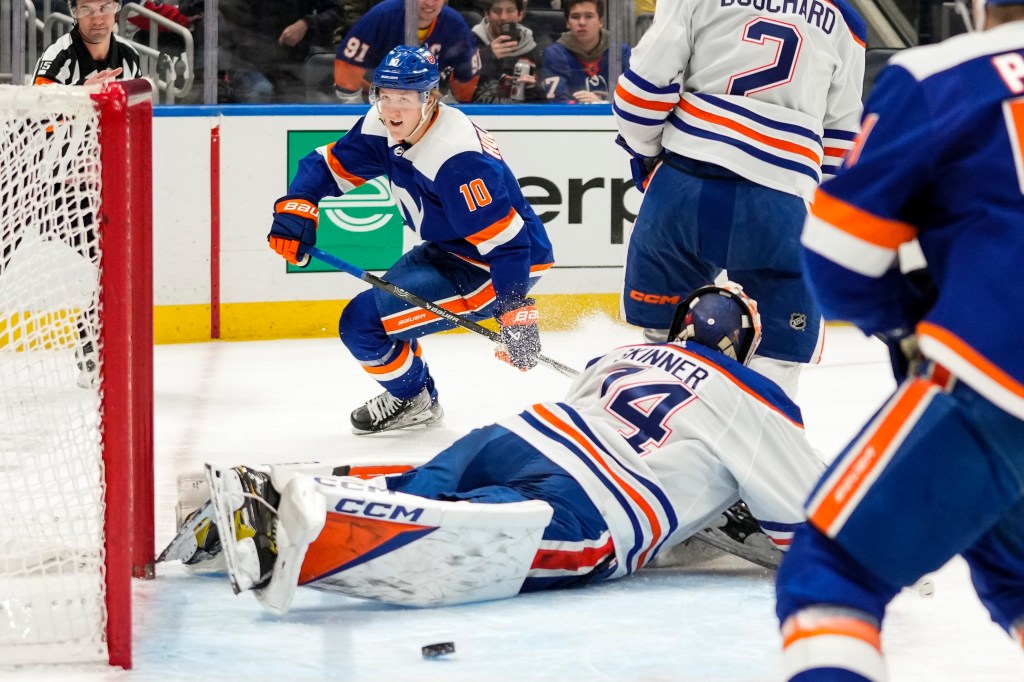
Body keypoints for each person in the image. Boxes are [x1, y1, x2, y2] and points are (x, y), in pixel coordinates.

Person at [176, 284, 826, 614]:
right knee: (468, 531)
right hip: (598, 506)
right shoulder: (759, 400)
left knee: (420, 486)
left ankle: (263, 500)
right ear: (744, 349)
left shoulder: (623, 353)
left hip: (522, 435)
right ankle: (304, 524)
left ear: (683, 324)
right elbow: (811, 530)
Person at [774, 0, 1024, 678]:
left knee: (830, 576)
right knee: (1014, 577)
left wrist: (901, 325)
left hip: (997, 371)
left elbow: (838, 254)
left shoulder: (945, 74)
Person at [267, 45, 554, 434]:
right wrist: (297, 205)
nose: (391, 109)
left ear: (430, 98)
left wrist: (513, 309)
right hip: (447, 249)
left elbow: (509, 246)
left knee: (362, 323)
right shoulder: (381, 123)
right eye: (384, 96)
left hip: (490, 268)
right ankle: (416, 393)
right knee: (378, 321)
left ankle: (413, 398)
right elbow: (326, 165)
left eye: (404, 98)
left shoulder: (457, 158)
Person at [612, 0, 866, 400]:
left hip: (684, 184)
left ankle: (650, 423)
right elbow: (841, 138)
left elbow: (642, 93)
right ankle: (757, 441)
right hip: (782, 200)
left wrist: (647, 153)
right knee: (777, 361)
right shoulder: (845, 20)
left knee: (660, 340)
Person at [334, 0, 480, 103]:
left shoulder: (454, 24)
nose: (429, 3)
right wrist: (355, 110)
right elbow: (347, 66)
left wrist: (448, 110)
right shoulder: (382, 14)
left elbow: (467, 78)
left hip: (426, 103)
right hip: (373, 99)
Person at [217, 0, 342, 103]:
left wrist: (306, 24)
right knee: (261, 90)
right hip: (248, 63)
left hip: (291, 67)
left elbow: (336, 13)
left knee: (294, 107)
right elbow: (222, 10)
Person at [33, 0, 142, 86]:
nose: (98, 21)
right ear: (74, 12)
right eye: (86, 9)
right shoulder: (56, 55)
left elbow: (138, 108)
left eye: (105, 8)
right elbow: (37, 104)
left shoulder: (130, 54)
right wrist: (82, 92)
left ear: (117, 9)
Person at [541, 0, 628, 103]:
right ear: (568, 23)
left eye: (589, 16)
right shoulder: (554, 54)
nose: (582, 22)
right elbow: (558, 101)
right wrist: (589, 106)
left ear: (601, 21)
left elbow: (634, 98)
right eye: (575, 17)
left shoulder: (621, 52)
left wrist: (601, 104)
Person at [470, 0, 547, 103]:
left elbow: (546, 102)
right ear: (487, 14)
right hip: (477, 113)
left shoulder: (535, 49)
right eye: (497, 11)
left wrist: (534, 89)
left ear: (520, 15)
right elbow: (455, 88)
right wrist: (486, 55)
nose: (503, 17)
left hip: (519, 116)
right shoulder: (470, 42)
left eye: (510, 11)